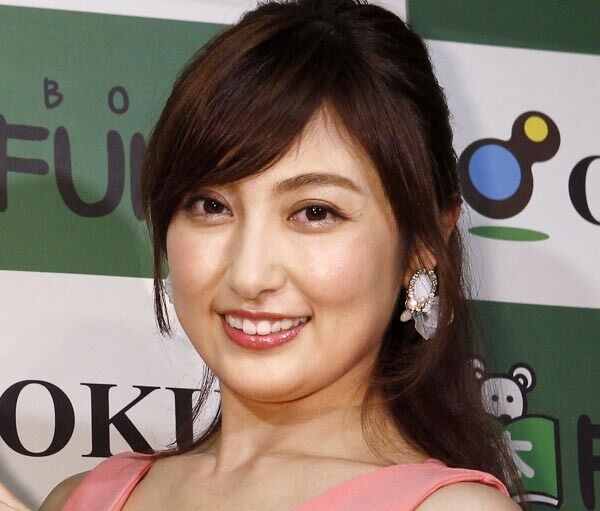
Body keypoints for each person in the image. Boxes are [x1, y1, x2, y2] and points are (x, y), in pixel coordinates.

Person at [40, 0, 527, 509]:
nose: (249, 275)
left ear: (423, 245)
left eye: (315, 212)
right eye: (211, 206)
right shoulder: (80, 499)